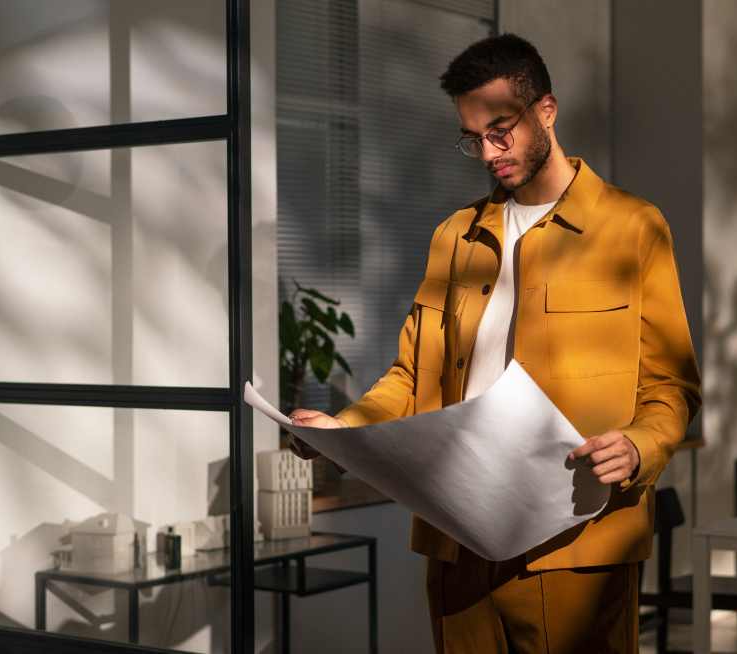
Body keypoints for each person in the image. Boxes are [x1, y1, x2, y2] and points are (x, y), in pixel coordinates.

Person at [287, 33, 701, 654]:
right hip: (458, 547)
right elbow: (411, 375)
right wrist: (344, 430)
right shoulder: (454, 236)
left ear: (546, 111)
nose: (486, 151)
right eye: (472, 136)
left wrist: (641, 447)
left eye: (500, 129)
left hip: (577, 546)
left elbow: (672, 385)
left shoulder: (633, 227)